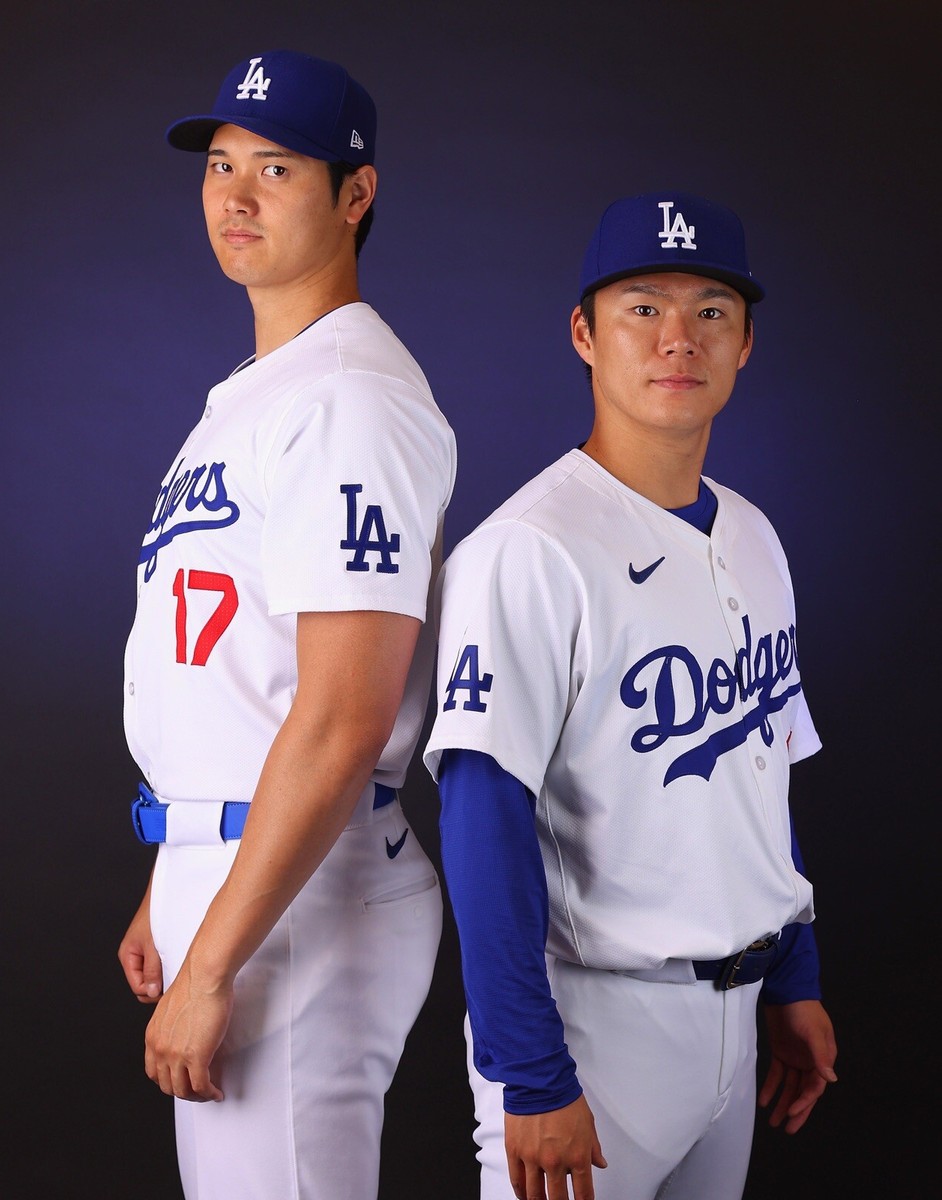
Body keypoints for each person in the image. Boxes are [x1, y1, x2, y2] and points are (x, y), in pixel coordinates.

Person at [423, 192, 837, 1200]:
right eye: (642, 308)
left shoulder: (753, 534)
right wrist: (530, 1073)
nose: (676, 340)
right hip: (592, 1029)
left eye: (709, 311)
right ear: (584, 333)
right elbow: (483, 818)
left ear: (744, 344)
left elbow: (759, 774)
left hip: (733, 1025)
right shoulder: (525, 550)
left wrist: (793, 975)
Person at [116, 49, 456, 1199]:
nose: (235, 197)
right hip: (244, 862)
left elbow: (347, 711)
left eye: (277, 168)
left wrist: (216, 955)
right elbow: (236, 667)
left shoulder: (349, 399)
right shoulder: (266, 390)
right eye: (219, 166)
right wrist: (176, 866)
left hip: (304, 892)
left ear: (354, 195)